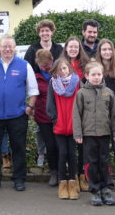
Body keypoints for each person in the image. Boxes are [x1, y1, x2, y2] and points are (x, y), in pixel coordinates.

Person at [0, 35, 39, 192]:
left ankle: (19, 179)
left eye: (10, 46)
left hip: (17, 116)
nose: (7, 49)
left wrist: (29, 107)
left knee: (18, 148)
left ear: (15, 48)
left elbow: (33, 90)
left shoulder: (24, 65)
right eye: (4, 46)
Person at [73, 61, 115, 206]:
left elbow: (114, 115)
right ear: (86, 76)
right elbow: (76, 115)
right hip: (88, 135)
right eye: (93, 74)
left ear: (102, 75)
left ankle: (106, 189)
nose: (96, 77)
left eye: (99, 74)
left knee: (104, 161)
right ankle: (95, 190)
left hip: (104, 134)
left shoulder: (108, 92)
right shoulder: (81, 93)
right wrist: (78, 133)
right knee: (91, 163)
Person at [24, 19, 62, 173]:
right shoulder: (32, 49)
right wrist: (31, 103)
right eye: (42, 31)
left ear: (52, 32)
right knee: (44, 134)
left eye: (47, 30)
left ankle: (59, 168)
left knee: (58, 141)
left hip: (57, 101)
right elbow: (27, 72)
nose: (45, 33)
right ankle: (44, 157)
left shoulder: (59, 49)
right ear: (39, 33)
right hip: (40, 96)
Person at [95, 39, 115, 192]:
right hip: (100, 113)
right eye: (104, 49)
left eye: (109, 49)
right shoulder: (96, 67)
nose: (107, 52)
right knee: (102, 148)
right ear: (99, 51)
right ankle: (105, 177)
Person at [47, 58, 80, 200]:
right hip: (60, 126)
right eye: (60, 69)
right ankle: (62, 184)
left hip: (74, 126)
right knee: (62, 154)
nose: (63, 71)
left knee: (72, 154)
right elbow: (50, 105)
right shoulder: (53, 84)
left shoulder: (77, 82)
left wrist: (79, 121)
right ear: (55, 71)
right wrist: (55, 120)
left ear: (69, 69)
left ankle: (72, 184)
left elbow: (81, 103)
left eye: (65, 68)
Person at [60, 36, 90, 191]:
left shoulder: (85, 66)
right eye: (70, 46)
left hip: (83, 111)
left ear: (79, 49)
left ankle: (81, 176)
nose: (73, 49)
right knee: (69, 150)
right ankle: (70, 178)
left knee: (82, 147)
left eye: (76, 47)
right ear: (66, 48)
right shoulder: (61, 66)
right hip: (66, 114)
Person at [34, 49, 59, 186]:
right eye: (42, 66)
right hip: (43, 117)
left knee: (59, 145)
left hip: (59, 116)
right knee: (50, 145)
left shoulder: (59, 74)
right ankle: (53, 172)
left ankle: (62, 172)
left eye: (47, 65)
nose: (45, 68)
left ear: (52, 61)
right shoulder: (36, 77)